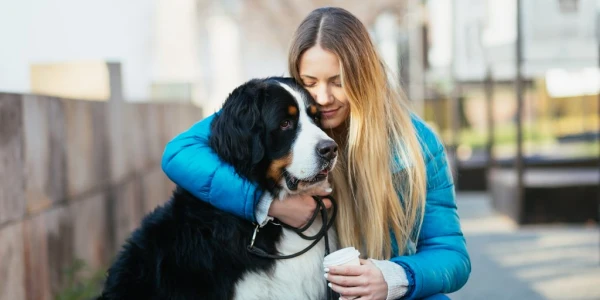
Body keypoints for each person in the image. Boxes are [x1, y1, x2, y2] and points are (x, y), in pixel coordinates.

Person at [161, 7, 470, 300]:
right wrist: (267, 205)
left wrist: (395, 276)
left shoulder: (416, 145)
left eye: (338, 82)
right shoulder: (279, 109)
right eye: (310, 82)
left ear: (364, 76)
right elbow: (179, 153)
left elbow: (451, 253)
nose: (323, 98)